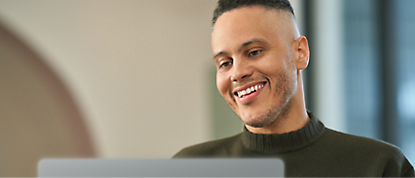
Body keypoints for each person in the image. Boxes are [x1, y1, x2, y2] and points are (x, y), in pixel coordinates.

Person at [173, 0, 415, 177]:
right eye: (225, 63)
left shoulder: (380, 167)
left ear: (300, 52)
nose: (237, 73)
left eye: (254, 52)